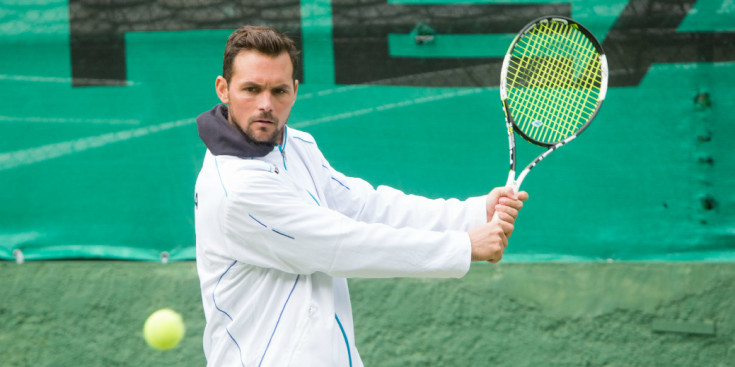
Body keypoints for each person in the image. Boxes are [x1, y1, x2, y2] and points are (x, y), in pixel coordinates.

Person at [194, 25, 529, 367]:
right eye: (251, 89)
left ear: (295, 91)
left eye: (278, 90)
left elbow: (365, 207)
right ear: (224, 89)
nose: (266, 104)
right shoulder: (236, 190)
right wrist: (463, 246)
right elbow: (342, 244)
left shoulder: (296, 145)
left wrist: (472, 213)